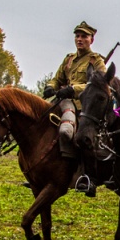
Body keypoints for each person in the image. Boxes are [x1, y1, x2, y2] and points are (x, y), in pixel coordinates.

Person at [43, 21, 106, 196]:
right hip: (63, 101)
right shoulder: (69, 59)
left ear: (91, 39)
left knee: (82, 137)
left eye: (84, 36)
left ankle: (89, 178)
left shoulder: (96, 61)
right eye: (77, 36)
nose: (80, 39)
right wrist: (50, 86)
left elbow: (99, 85)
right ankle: (43, 172)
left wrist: (74, 89)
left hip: (84, 106)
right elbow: (57, 78)